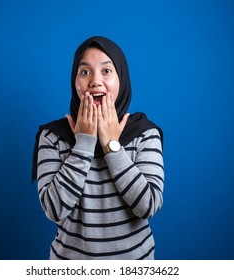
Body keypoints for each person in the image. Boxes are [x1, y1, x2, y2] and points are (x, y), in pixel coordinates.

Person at [32, 36, 164, 260]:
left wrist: (112, 146)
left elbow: (148, 206)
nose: (95, 81)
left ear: (121, 78)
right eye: (85, 72)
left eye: (106, 71)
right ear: (74, 81)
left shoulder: (144, 133)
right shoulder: (53, 136)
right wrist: (84, 142)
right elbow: (54, 210)